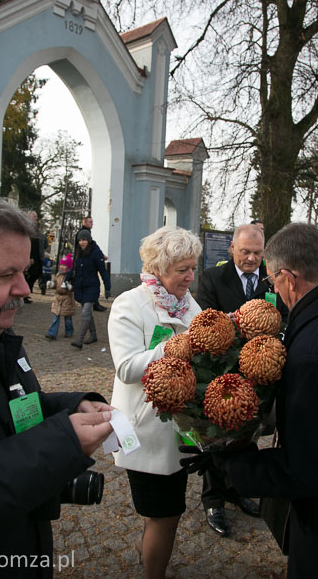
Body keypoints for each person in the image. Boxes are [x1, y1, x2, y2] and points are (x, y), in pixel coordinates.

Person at [181, 223, 318, 579]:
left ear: (289, 279)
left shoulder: (314, 354)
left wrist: (233, 462)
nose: (273, 290)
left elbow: (307, 471)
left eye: (274, 281)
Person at [0, 192, 113, 578]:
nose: (24, 288)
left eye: (25, 270)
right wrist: (61, 442)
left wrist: (72, 406)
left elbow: (9, 410)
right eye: (5, 275)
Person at [108, 226, 202, 579]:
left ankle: (150, 549)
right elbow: (127, 367)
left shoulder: (189, 303)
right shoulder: (129, 304)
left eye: (193, 268)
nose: (190, 277)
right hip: (143, 428)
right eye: (182, 270)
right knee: (166, 515)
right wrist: (173, 347)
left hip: (178, 427)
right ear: (159, 268)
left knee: (160, 513)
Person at [196, 224, 288, 536]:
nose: (251, 258)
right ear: (232, 248)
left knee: (246, 434)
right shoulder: (212, 278)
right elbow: (206, 322)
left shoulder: (273, 280)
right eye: (245, 251)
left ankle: (236, 490)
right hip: (224, 370)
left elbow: (284, 317)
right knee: (216, 436)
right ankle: (213, 499)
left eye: (257, 253)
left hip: (262, 370)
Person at [67, 230, 111, 349]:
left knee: (85, 312)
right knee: (88, 313)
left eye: (84, 240)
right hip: (80, 287)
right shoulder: (78, 252)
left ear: (89, 240)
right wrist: (66, 279)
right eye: (80, 240)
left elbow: (103, 271)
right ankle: (93, 335)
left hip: (91, 287)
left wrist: (107, 287)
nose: (82, 242)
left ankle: (79, 340)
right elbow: (73, 268)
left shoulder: (96, 252)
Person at [74, 216, 108, 312]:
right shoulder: (84, 233)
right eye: (90, 222)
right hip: (83, 263)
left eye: (92, 222)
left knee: (86, 312)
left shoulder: (86, 233)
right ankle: (94, 304)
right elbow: (90, 247)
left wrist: (101, 255)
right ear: (85, 223)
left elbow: (94, 247)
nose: (92, 224)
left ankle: (94, 303)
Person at [45, 256, 76, 340]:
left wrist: (69, 287)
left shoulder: (70, 276)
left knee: (68, 318)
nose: (62, 266)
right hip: (58, 298)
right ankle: (52, 333)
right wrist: (51, 284)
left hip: (67, 299)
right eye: (61, 264)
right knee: (56, 317)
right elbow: (55, 283)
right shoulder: (58, 274)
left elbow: (73, 287)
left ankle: (69, 331)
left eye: (64, 265)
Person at [24, 210, 48, 303]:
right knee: (29, 275)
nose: (36, 218)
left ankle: (27, 293)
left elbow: (43, 242)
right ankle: (24, 295)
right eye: (35, 217)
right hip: (30, 255)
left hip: (38, 255)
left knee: (36, 274)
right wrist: (29, 257)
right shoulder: (26, 228)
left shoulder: (37, 231)